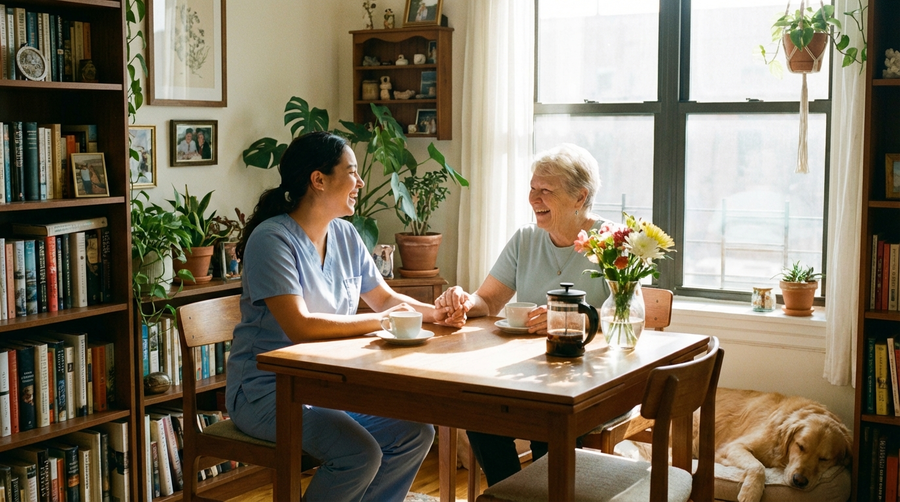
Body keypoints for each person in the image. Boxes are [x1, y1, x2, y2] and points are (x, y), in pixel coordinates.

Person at [226, 131, 462, 502]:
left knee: (415, 433)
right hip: (266, 392)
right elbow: (300, 326)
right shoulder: (271, 240)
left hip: (325, 388)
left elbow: (384, 298)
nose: (361, 181)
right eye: (352, 172)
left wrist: (437, 314)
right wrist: (385, 323)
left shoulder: (346, 234)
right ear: (318, 180)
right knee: (359, 454)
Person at [433, 143, 610, 486]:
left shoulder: (612, 242)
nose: (534, 198)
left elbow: (627, 320)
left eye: (546, 191)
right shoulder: (526, 239)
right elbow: (487, 300)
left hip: (591, 383)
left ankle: (544, 493)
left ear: (579, 197)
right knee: (479, 412)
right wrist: (464, 302)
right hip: (530, 377)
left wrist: (576, 320)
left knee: (549, 425)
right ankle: (510, 492)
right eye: (532, 188)